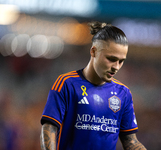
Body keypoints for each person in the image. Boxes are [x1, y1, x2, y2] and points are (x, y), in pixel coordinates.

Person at [40, 21, 147, 150]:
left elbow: (131, 142)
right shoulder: (67, 83)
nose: (116, 67)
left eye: (121, 61)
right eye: (111, 59)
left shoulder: (123, 93)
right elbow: (49, 127)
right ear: (94, 51)